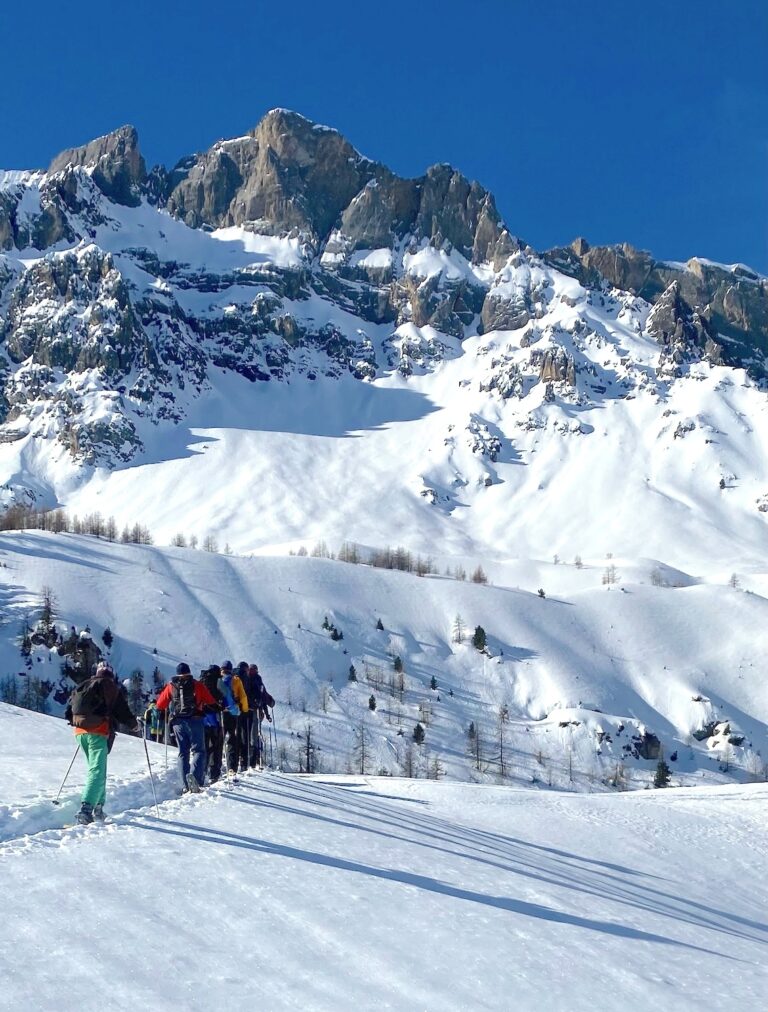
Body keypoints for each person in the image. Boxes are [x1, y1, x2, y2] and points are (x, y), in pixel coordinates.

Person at [65, 661, 139, 825]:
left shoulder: (84, 685)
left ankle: (99, 807)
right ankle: (86, 809)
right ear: (111, 674)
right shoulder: (109, 686)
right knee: (97, 770)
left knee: (97, 769)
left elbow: (68, 709)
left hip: (80, 732)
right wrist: (135, 725)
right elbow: (122, 711)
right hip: (98, 731)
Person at [155, 663, 219, 793]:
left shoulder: (171, 686)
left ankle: (185, 784)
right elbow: (211, 701)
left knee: (183, 752)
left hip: (178, 722)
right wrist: (218, 707)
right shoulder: (198, 685)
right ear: (189, 672)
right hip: (195, 720)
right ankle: (196, 780)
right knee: (199, 751)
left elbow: (160, 705)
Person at [242, 663, 275, 769]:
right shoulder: (258, 680)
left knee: (247, 735)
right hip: (256, 711)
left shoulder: (246, 679)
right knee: (254, 736)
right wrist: (267, 714)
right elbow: (263, 698)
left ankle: (246, 760)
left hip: (246, 710)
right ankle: (254, 761)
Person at [218, 660, 249, 777]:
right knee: (232, 739)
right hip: (233, 713)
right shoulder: (236, 680)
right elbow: (243, 697)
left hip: (220, 713)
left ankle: (216, 766)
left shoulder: (217, 679)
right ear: (231, 669)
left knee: (219, 740)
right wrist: (244, 710)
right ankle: (232, 767)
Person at [200, 665, 224, 783]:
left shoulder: (201, 681)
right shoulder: (219, 681)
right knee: (216, 746)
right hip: (215, 717)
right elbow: (227, 697)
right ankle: (214, 773)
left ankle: (201, 772)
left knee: (203, 746)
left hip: (201, 718)